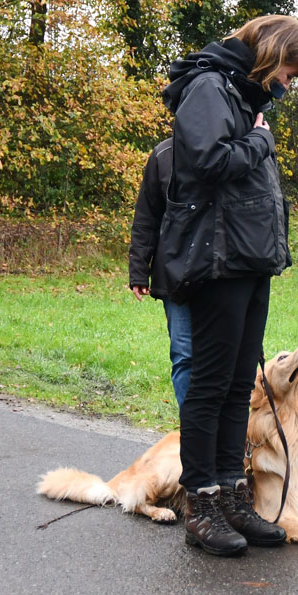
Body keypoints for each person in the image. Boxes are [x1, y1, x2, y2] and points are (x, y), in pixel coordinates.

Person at [161, 14, 298, 557]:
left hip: (250, 261)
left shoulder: (243, 96)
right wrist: (259, 144)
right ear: (270, 56)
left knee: (234, 387)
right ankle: (202, 502)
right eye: (289, 74)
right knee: (209, 384)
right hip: (218, 260)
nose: (288, 86)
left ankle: (231, 494)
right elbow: (208, 161)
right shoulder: (208, 86)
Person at [128, 139, 193, 409]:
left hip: (220, 275)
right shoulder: (163, 154)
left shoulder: (230, 149)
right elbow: (147, 216)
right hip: (174, 276)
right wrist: (139, 271)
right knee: (184, 356)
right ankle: (192, 434)